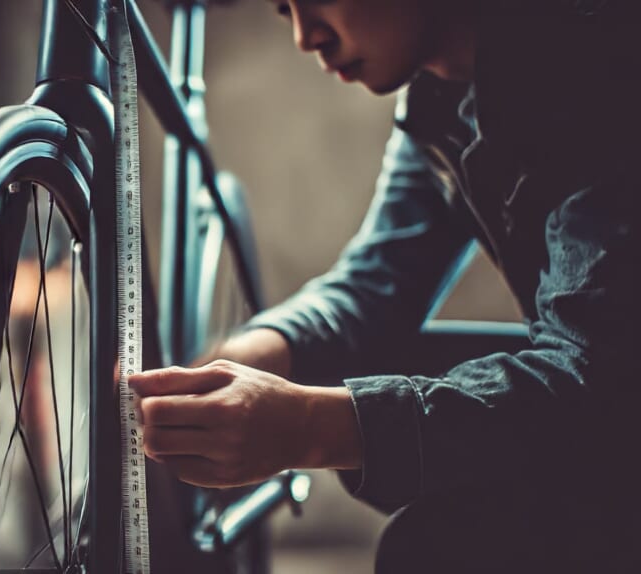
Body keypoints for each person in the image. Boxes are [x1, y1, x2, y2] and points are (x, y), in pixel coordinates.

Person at [129, 0, 641, 571]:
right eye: (283, 9)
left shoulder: (608, 64)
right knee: (322, 364)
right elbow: (376, 285)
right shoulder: (438, 94)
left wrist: (308, 427)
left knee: (434, 547)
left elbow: (596, 378)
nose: (304, 36)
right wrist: (249, 352)